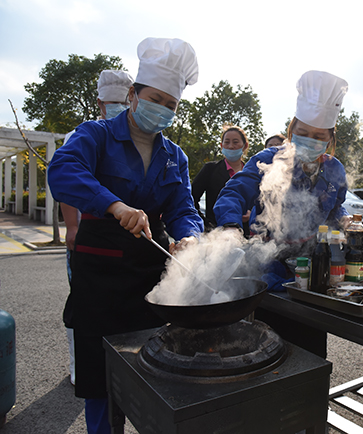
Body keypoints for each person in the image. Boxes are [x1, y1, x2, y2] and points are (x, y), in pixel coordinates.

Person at [47, 37, 203, 434]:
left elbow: (184, 208)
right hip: (100, 279)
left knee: (156, 371)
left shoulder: (175, 156)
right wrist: (115, 206)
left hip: (151, 278)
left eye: (171, 104)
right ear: (133, 95)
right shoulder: (95, 135)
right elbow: (62, 171)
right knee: (101, 379)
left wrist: (190, 237)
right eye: (155, 99)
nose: (162, 109)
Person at [214, 70, 350, 358]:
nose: (310, 140)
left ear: (329, 139)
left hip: (312, 271)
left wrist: (344, 220)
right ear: (291, 131)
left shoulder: (334, 169)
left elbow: (336, 206)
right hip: (269, 267)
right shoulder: (268, 159)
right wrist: (230, 227)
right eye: (303, 133)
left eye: (318, 136)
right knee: (268, 351)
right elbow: (233, 193)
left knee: (311, 353)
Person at [60, 69, 134, 387]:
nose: (118, 108)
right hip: (87, 233)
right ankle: (79, 366)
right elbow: (66, 183)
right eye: (112, 103)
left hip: (123, 238)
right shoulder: (83, 135)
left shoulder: (135, 140)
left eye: (124, 102)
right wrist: (72, 227)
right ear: (101, 104)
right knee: (83, 306)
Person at [191, 125, 251, 232]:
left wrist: (252, 213)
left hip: (245, 233)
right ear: (221, 146)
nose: (231, 146)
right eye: (227, 142)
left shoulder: (251, 173)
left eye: (235, 142)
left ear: (245, 145)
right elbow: (191, 198)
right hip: (215, 233)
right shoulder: (210, 169)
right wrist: (205, 223)